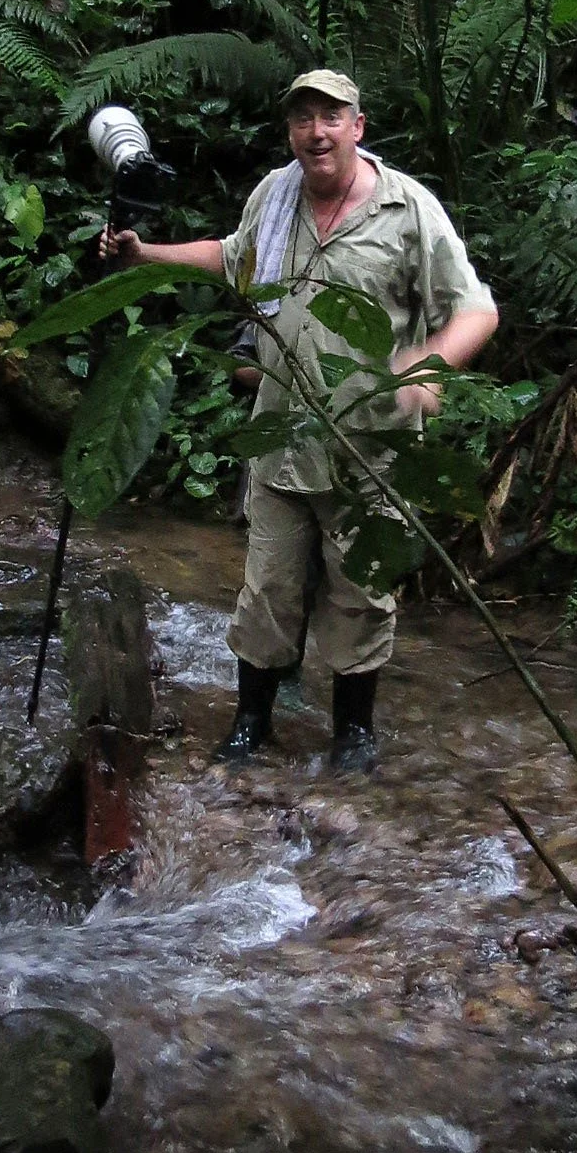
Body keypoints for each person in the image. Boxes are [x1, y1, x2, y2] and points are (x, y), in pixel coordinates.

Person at [103, 69, 498, 770]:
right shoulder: (275, 193)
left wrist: (427, 367)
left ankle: (353, 734)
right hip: (281, 438)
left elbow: (475, 309)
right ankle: (251, 723)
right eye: (302, 119)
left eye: (330, 117)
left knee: (361, 594)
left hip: (368, 446)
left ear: (357, 125)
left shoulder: (407, 210)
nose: (315, 132)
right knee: (266, 590)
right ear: (291, 130)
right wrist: (145, 256)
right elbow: (231, 259)